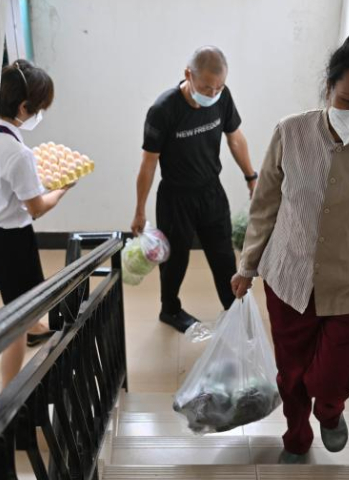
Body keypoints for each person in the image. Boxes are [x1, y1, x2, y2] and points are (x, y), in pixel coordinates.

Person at [231, 31, 349, 463]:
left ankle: (330, 412)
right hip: (287, 280)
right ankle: (296, 433)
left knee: (331, 378)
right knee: (290, 373)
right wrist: (247, 266)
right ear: (328, 88)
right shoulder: (290, 133)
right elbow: (264, 209)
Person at [132, 46, 256, 333]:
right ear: (188, 75)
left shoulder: (222, 98)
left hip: (211, 191)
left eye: (219, 87)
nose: (212, 94)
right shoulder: (163, 110)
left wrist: (252, 177)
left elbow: (235, 139)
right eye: (206, 87)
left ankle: (233, 308)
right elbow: (148, 163)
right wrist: (139, 210)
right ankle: (170, 309)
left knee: (224, 255)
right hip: (175, 196)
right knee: (175, 260)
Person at [0, 59, 72, 387]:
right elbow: (35, 208)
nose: (38, 115)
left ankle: (35, 327)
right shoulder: (17, 153)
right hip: (13, 241)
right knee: (16, 321)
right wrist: (63, 188)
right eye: (38, 109)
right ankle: (10, 397)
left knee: (17, 296)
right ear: (23, 106)